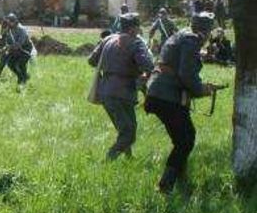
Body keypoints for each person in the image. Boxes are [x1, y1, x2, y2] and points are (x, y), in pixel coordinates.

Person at [144, 12, 220, 193]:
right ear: (207, 30)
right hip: (166, 96)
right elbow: (185, 74)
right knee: (186, 139)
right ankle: (165, 185)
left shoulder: (182, 35)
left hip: (161, 93)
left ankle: (181, 179)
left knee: (182, 138)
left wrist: (200, 86)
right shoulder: (191, 40)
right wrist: (202, 90)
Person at [87, 13, 154, 160]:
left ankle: (129, 158)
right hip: (124, 93)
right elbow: (148, 65)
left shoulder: (107, 39)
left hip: (105, 91)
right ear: (133, 29)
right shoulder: (136, 43)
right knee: (129, 132)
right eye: (137, 28)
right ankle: (109, 158)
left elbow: (92, 60)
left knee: (125, 128)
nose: (138, 31)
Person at [0, 14, 33, 86]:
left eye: (9, 22)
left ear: (14, 22)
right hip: (15, 48)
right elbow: (6, 40)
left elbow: (19, 44)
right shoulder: (9, 29)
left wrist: (7, 48)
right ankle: (21, 76)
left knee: (21, 64)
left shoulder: (21, 30)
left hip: (25, 48)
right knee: (10, 63)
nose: (8, 24)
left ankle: (23, 80)